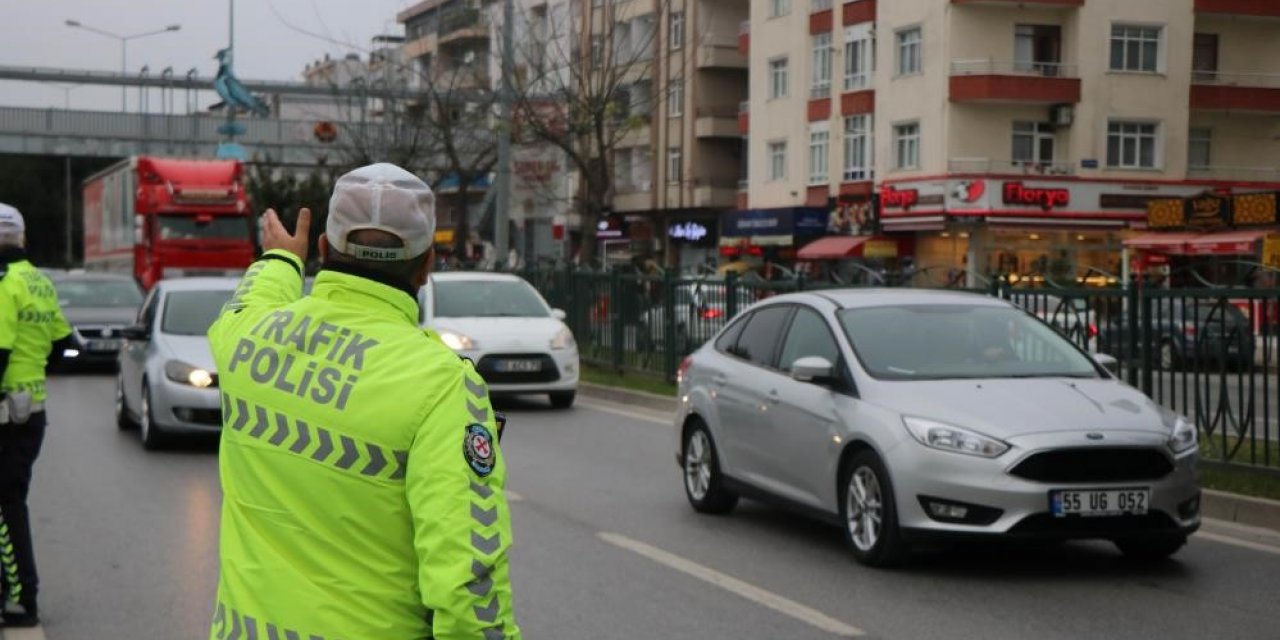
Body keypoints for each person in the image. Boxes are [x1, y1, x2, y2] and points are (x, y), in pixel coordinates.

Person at [206, 164, 520, 639]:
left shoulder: (245, 339)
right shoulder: (441, 385)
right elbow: (466, 583)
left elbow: (248, 303)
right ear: (427, 265)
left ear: (324, 249)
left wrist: (279, 261)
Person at [0, 203, 75, 628]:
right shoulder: (39, 281)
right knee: (11, 501)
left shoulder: (4, 283)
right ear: (22, 238)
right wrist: (38, 376)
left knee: (6, 505)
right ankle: (13, 591)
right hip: (32, 413)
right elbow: (67, 343)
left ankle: (22, 598)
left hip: (6, 413)